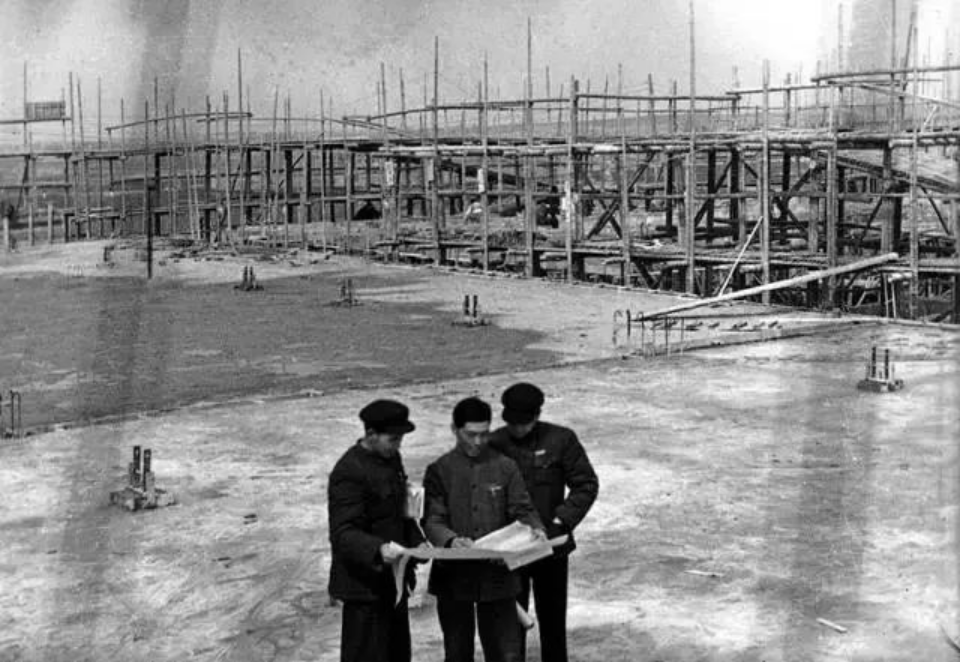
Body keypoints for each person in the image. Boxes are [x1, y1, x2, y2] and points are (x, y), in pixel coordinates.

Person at [423, 396, 545, 662]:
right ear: (455, 430)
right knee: (457, 654)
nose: (478, 441)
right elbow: (432, 520)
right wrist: (451, 541)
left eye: (484, 434)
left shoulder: (506, 467)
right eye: (471, 435)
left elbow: (523, 510)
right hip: (454, 578)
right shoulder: (439, 470)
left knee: (505, 655)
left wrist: (534, 531)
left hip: (498, 578)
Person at [488, 383, 600, 662]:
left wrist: (562, 521)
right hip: (510, 549)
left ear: (537, 416)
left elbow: (585, 484)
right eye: (513, 423)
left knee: (553, 621)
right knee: (510, 625)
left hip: (550, 546)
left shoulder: (561, 440)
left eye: (524, 423)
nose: (518, 429)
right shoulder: (494, 444)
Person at [327, 399, 425, 662]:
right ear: (371, 434)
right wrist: (378, 549)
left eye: (400, 440)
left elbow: (400, 511)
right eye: (393, 439)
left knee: (397, 654)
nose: (398, 445)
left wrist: (417, 541)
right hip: (364, 588)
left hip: (394, 581)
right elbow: (343, 532)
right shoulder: (349, 471)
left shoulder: (391, 459)